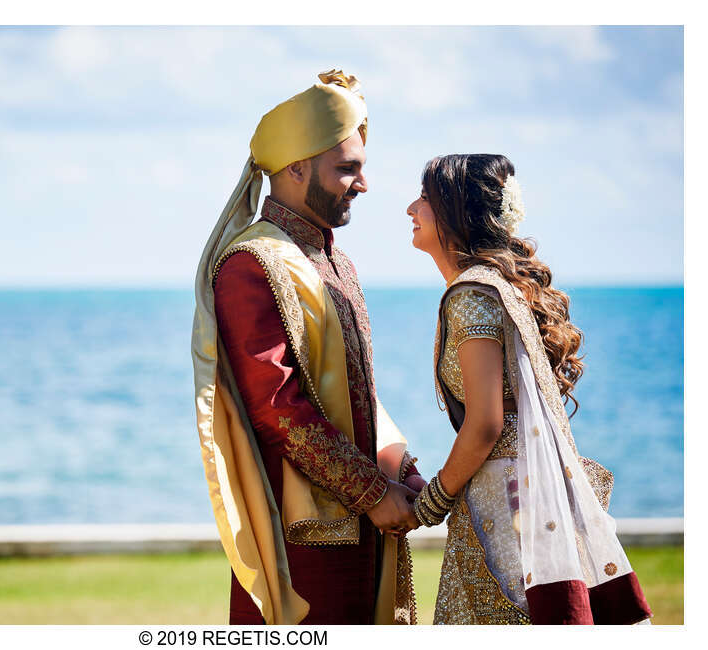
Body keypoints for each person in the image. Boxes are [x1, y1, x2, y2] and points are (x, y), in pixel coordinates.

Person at [191, 70, 425, 625]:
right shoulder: (253, 262)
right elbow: (280, 410)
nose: (362, 184)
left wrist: (401, 469)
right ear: (296, 168)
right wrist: (371, 491)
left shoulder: (335, 261)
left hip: (365, 523)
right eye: (348, 168)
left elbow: (358, 393)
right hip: (304, 538)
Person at [406, 153, 652, 624]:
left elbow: (485, 425)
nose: (411, 208)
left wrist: (431, 503)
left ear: (458, 211)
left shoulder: (472, 295)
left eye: (425, 198)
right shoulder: (499, 285)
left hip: (505, 510)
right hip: (529, 499)